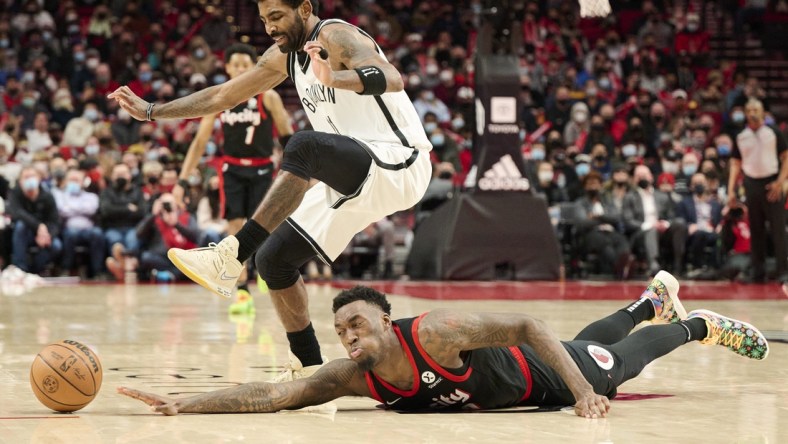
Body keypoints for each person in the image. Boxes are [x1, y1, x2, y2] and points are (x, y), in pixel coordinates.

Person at [109, 0, 432, 381]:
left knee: (304, 145)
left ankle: (231, 256)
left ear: (305, 9)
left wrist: (335, 80)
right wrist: (151, 111)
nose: (269, 28)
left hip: (399, 161)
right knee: (274, 261)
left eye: (277, 17)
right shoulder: (285, 57)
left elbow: (392, 77)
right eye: (263, 20)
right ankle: (311, 369)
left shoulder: (335, 35)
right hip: (356, 174)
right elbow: (221, 97)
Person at [118, 272, 769, 417]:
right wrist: (188, 406)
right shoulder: (353, 376)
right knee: (590, 338)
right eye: (342, 329)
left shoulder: (435, 332)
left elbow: (527, 329)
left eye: (359, 325)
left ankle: (694, 326)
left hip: (541, 374)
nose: (349, 336)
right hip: (527, 375)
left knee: (611, 364)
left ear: (386, 321)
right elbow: (274, 393)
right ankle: (648, 301)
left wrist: (579, 396)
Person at [171, 43, 294, 314]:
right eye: (235, 64)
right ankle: (242, 291)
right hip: (232, 170)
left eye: (244, 64)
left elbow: (287, 135)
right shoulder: (221, 99)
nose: (239, 68)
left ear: (254, 66)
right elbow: (200, 141)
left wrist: (298, 170)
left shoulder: (268, 96)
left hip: (263, 169)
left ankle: (263, 268)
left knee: (265, 226)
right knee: (235, 228)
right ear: (226, 68)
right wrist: (181, 181)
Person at [727, 98, 788, 283]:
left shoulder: (774, 132)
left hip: (772, 183)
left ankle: (783, 271)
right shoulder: (741, 136)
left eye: (756, 109)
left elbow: (786, 158)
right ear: (746, 113)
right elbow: (736, 164)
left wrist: (780, 182)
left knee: (778, 229)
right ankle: (758, 272)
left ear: (762, 112)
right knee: (756, 228)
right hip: (751, 183)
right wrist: (731, 189)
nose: (753, 112)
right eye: (750, 109)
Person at [7, 166, 62, 274]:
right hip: (24, 234)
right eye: (26, 177)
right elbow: (16, 213)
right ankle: (20, 269)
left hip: (44, 234)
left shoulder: (47, 196)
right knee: (20, 226)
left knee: (56, 246)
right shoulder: (15, 193)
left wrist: (48, 235)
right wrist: (38, 226)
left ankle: (36, 270)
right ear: (20, 181)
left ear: (39, 178)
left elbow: (55, 221)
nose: (29, 180)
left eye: (32, 176)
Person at [53, 168, 106, 279]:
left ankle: (97, 272)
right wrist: (82, 209)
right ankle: (66, 269)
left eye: (77, 180)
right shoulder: (59, 195)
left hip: (88, 229)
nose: (74, 183)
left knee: (98, 234)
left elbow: (92, 209)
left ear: (83, 182)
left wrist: (71, 209)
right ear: (65, 181)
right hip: (68, 229)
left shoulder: (91, 196)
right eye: (71, 180)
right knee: (70, 234)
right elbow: (61, 210)